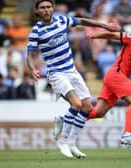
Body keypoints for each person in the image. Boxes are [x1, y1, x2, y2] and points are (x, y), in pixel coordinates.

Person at [27, 0, 120, 158]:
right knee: (76, 103)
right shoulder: (36, 31)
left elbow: (82, 21)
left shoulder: (62, 20)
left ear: (52, 8)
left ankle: (71, 141)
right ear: (37, 11)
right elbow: (29, 54)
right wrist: (32, 68)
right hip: (56, 73)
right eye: (42, 8)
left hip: (72, 70)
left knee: (87, 108)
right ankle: (62, 141)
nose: (46, 10)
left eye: (48, 7)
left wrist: (104, 25)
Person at [85, 19, 131, 148]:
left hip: (116, 77)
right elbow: (113, 35)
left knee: (98, 113)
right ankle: (127, 135)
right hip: (116, 74)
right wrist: (95, 35)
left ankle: (67, 119)